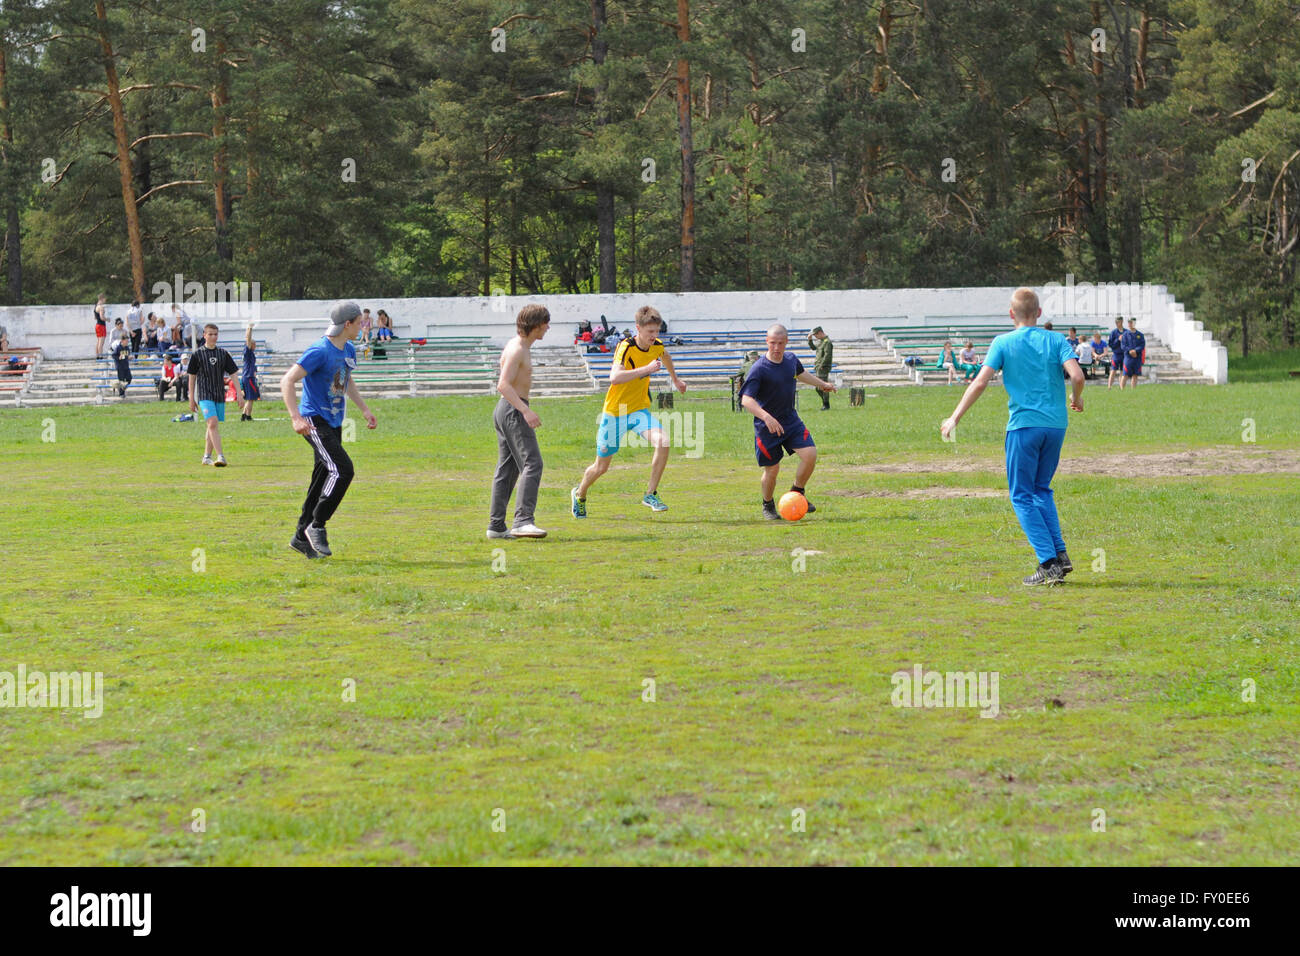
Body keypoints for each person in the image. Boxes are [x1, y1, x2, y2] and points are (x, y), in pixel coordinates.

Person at [940, 288, 1084, 586]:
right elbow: (1078, 376)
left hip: (1024, 426)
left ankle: (1048, 563)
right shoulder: (1056, 339)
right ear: (1039, 313)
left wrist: (954, 417)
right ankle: (1061, 554)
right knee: (1041, 489)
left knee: (1021, 495)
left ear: (1011, 314)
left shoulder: (1003, 342)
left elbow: (980, 382)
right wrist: (1076, 397)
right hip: (1056, 425)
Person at [280, 301, 375, 559]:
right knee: (343, 469)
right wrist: (295, 418)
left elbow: (345, 380)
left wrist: (364, 409)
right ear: (348, 324)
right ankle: (317, 524)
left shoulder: (349, 349)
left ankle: (300, 537)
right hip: (314, 421)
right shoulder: (319, 350)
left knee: (321, 478)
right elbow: (287, 380)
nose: (363, 326)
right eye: (360, 322)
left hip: (334, 422)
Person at [572, 306, 687, 519]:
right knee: (601, 467)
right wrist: (646, 370)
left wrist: (676, 379)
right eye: (650, 332)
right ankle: (580, 494)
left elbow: (666, 356)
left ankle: (650, 494)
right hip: (615, 413)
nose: (654, 336)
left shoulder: (657, 346)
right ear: (638, 329)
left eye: (657, 331)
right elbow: (614, 377)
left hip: (638, 410)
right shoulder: (625, 347)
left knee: (663, 442)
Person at [739, 324, 837, 521]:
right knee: (772, 469)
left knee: (810, 454)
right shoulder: (759, 368)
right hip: (766, 427)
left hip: (790, 421)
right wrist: (766, 417)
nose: (776, 347)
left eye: (780, 343)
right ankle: (768, 504)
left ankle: (797, 493)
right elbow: (746, 400)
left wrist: (822, 384)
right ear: (767, 342)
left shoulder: (791, 359)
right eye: (773, 343)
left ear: (786, 343)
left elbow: (801, 374)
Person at [488, 304, 551, 540]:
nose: (548, 327)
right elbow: (503, 385)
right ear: (535, 326)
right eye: (545, 323)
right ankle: (523, 520)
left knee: (508, 468)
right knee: (533, 463)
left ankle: (496, 526)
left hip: (507, 409)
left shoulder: (520, 346)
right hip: (513, 410)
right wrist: (525, 411)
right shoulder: (517, 349)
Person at [187, 323, 242, 467]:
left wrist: (240, 394)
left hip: (219, 395)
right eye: (210, 334)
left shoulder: (223, 354)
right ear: (204, 335)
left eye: (215, 334)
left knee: (211, 426)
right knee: (212, 423)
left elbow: (234, 375)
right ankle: (221, 456)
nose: (213, 337)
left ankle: (206, 457)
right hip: (204, 395)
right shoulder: (197, 355)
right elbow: (191, 377)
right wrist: (191, 398)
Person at [808, 326, 834, 407]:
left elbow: (827, 355)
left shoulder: (827, 342)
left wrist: (822, 365)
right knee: (818, 387)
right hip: (819, 367)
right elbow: (813, 348)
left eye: (816, 335)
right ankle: (825, 403)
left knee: (823, 386)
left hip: (823, 367)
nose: (815, 337)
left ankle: (826, 404)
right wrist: (810, 340)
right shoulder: (821, 341)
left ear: (820, 333)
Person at [239, 323, 261, 421]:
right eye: (254, 344)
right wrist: (250, 328)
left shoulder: (250, 353)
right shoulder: (247, 351)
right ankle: (248, 416)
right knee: (251, 398)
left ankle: (244, 415)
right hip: (248, 377)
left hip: (248, 376)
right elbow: (248, 338)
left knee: (250, 398)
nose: (255, 346)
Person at [1121, 317, 1146, 389]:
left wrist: (1136, 351)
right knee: (1125, 374)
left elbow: (1142, 345)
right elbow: (1123, 346)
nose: (1130, 324)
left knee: (1135, 374)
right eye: (1129, 322)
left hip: (1137, 357)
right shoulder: (1125, 334)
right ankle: (1122, 390)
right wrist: (1130, 351)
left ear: (1134, 323)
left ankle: (1133, 390)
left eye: (1131, 322)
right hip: (1128, 357)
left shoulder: (1140, 335)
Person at [1106, 316, 1125, 389]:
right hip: (1116, 355)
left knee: (1122, 371)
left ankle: (1121, 387)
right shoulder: (1113, 332)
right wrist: (1118, 340)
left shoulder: (1126, 332)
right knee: (1113, 370)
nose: (1117, 323)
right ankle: (1109, 386)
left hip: (1124, 354)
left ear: (1122, 322)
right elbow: (1111, 344)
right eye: (1116, 322)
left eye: (1118, 322)